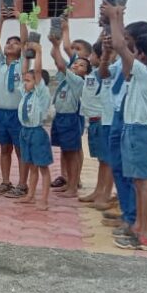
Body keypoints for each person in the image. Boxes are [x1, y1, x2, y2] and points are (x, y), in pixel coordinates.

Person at [107, 5, 147, 251]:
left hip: (139, 132)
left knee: (144, 183)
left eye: (136, 50)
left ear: (141, 55)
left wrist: (113, 17)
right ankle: (138, 226)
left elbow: (121, 47)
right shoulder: (140, 73)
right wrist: (118, 19)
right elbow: (122, 55)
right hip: (133, 131)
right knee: (138, 182)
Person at [99, 20, 147, 240]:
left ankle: (133, 219)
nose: (123, 43)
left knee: (133, 174)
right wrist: (105, 54)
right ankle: (127, 212)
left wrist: (115, 16)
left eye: (127, 40)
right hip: (117, 116)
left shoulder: (140, 68)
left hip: (131, 121)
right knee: (119, 168)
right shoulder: (122, 63)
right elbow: (103, 74)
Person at [0, 5, 29, 198]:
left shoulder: (22, 64)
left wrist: (21, 19)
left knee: (20, 149)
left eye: (16, 43)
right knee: (4, 148)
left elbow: (27, 42)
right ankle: (6, 181)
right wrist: (1, 20)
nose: (11, 44)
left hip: (18, 113)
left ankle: (22, 184)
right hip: (1, 112)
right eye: (9, 42)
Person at [49, 33, 88, 198]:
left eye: (81, 65)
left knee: (72, 152)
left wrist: (57, 45)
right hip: (60, 117)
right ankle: (68, 182)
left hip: (70, 118)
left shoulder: (78, 81)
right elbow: (57, 61)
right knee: (66, 151)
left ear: (85, 72)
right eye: (75, 63)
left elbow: (60, 64)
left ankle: (73, 186)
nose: (76, 65)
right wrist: (54, 47)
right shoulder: (66, 79)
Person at [17, 41, 53, 210]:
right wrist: (26, 55)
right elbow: (25, 71)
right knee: (31, 165)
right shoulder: (26, 92)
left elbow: (36, 72)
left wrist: (39, 52)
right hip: (25, 132)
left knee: (42, 167)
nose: (25, 83)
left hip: (37, 133)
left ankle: (44, 199)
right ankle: (30, 194)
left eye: (29, 81)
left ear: (39, 83)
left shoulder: (41, 93)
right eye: (25, 81)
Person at [79, 40, 113, 208]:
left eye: (92, 54)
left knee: (107, 160)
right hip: (93, 121)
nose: (89, 56)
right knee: (101, 159)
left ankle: (105, 193)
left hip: (102, 121)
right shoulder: (91, 75)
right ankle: (98, 191)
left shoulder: (102, 73)